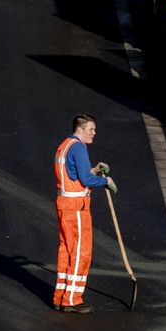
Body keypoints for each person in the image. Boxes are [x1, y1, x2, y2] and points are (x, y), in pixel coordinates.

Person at [52, 114, 112, 312]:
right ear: (80, 129)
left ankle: (60, 296)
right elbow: (85, 180)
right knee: (80, 252)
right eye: (91, 130)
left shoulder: (65, 145)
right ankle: (72, 300)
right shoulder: (78, 147)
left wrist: (94, 170)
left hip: (64, 203)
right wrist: (105, 181)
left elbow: (75, 174)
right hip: (76, 206)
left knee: (67, 250)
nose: (94, 133)